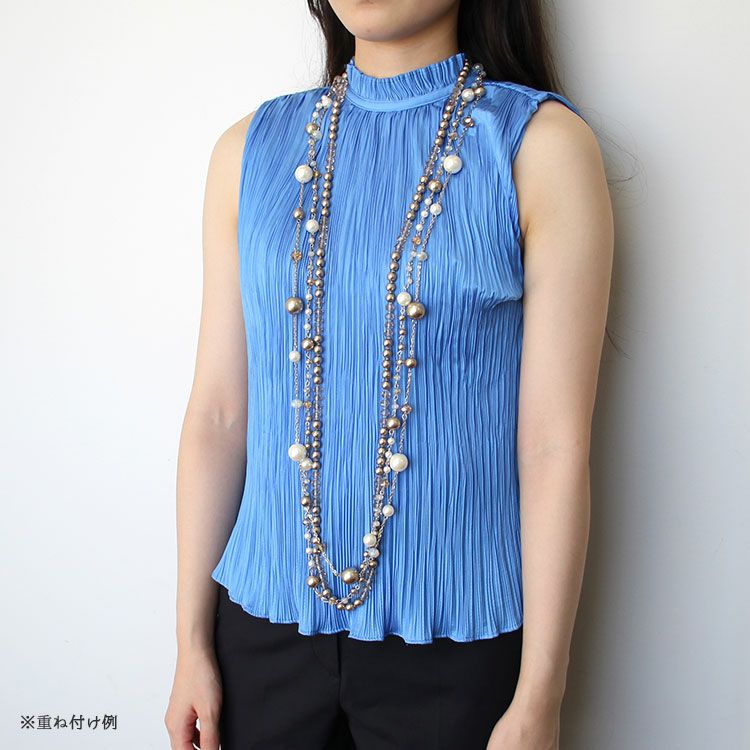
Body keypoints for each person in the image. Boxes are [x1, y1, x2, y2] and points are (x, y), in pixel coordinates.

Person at [164, 0, 613, 748]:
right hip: (258, 635)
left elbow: (553, 446)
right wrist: (190, 644)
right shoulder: (247, 150)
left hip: (456, 645)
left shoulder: (539, 147)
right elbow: (218, 415)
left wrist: (541, 694)